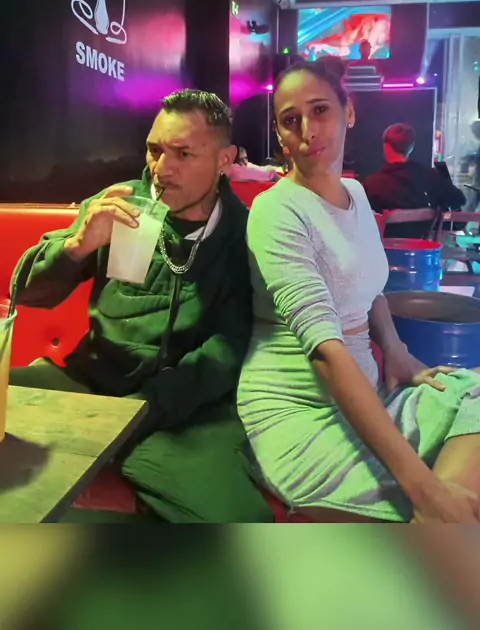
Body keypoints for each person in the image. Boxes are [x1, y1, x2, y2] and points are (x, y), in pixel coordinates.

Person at [9, 89, 273, 524]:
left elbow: (226, 350)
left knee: (234, 516)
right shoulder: (120, 203)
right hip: (89, 383)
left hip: (182, 410)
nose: (161, 169)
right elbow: (29, 293)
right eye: (155, 150)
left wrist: (138, 411)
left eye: (183, 154)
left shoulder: (245, 235)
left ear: (225, 160)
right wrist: (78, 245)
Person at [237, 58, 480, 523]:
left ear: (348, 112)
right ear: (280, 133)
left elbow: (371, 291)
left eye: (320, 110)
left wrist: (398, 351)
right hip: (302, 416)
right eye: (291, 119)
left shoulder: (358, 193)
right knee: (435, 503)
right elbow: (327, 352)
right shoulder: (275, 210)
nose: (307, 130)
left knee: (473, 390)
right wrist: (426, 490)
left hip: (372, 398)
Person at [363, 123, 466, 237]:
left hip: (384, 246)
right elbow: (459, 199)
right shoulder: (432, 176)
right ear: (411, 148)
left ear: (386, 147)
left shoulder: (372, 183)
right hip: (423, 245)